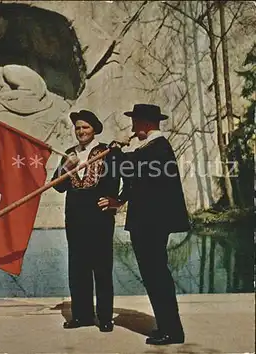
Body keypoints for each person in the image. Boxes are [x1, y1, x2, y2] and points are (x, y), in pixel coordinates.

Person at [98, 104, 190, 345]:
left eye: (135, 121)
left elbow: (125, 166)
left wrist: (115, 147)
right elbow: (136, 179)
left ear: (145, 123)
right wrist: (119, 200)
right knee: (153, 275)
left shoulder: (157, 147)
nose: (132, 126)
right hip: (148, 223)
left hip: (151, 224)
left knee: (156, 275)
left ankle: (172, 330)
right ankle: (168, 327)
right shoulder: (151, 148)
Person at [52, 109, 122, 332]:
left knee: (101, 267)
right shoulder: (69, 154)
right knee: (78, 267)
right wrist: (66, 168)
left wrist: (115, 200)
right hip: (74, 218)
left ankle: (105, 317)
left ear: (94, 130)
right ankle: (81, 316)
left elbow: (121, 180)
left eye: (85, 127)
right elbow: (58, 185)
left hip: (99, 218)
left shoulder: (108, 152)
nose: (81, 131)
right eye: (78, 128)